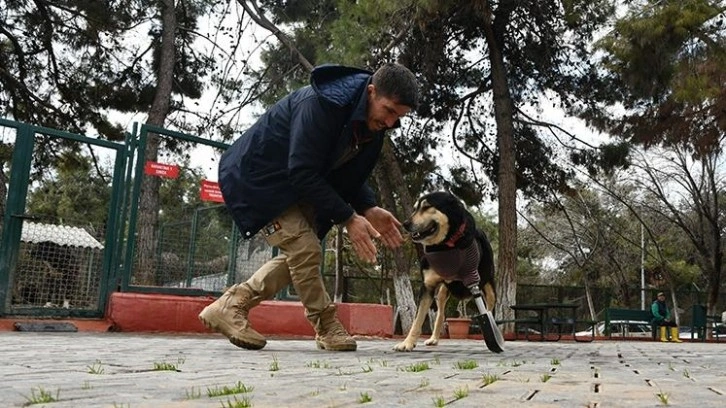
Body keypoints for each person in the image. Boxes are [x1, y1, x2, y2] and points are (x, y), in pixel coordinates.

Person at [198, 63, 420, 352]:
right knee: (305, 249)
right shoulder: (320, 104)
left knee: (302, 254)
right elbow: (302, 171)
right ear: (371, 91)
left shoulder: (373, 124)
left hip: (294, 182)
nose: (391, 123)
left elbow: (350, 176)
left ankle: (230, 305)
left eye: (399, 117)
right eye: (389, 111)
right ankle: (326, 326)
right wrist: (348, 218)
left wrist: (368, 207)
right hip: (258, 178)